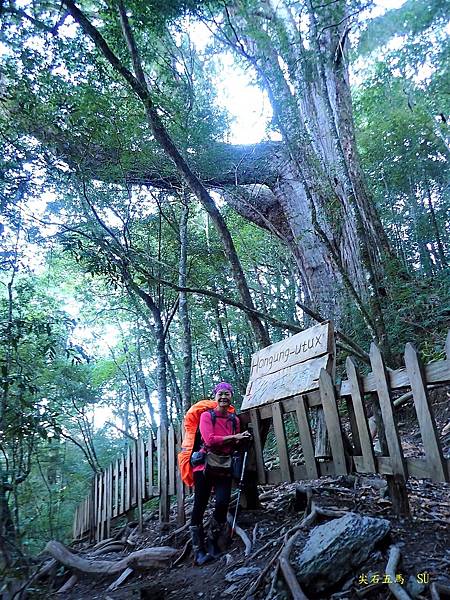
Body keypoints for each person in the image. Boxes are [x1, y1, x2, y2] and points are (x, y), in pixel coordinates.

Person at [190, 382, 252, 565]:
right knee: (200, 505)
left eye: (228, 394)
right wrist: (234, 438)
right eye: (221, 393)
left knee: (223, 502)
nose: (224, 397)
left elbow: (234, 443)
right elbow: (209, 440)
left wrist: (243, 440)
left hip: (224, 465)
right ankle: (198, 551)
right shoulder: (206, 417)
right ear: (215, 396)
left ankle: (212, 542)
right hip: (204, 468)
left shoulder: (234, 420)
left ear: (231, 397)